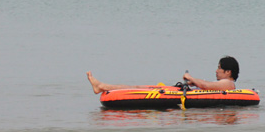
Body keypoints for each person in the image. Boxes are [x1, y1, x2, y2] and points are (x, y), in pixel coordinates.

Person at [87, 56, 240, 94]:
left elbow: (207, 86)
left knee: (140, 88)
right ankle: (101, 86)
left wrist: (190, 78)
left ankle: (102, 86)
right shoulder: (224, 84)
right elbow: (207, 86)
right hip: (181, 92)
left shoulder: (228, 84)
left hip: (179, 95)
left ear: (228, 72)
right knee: (141, 87)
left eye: (219, 68)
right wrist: (194, 83)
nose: (216, 71)